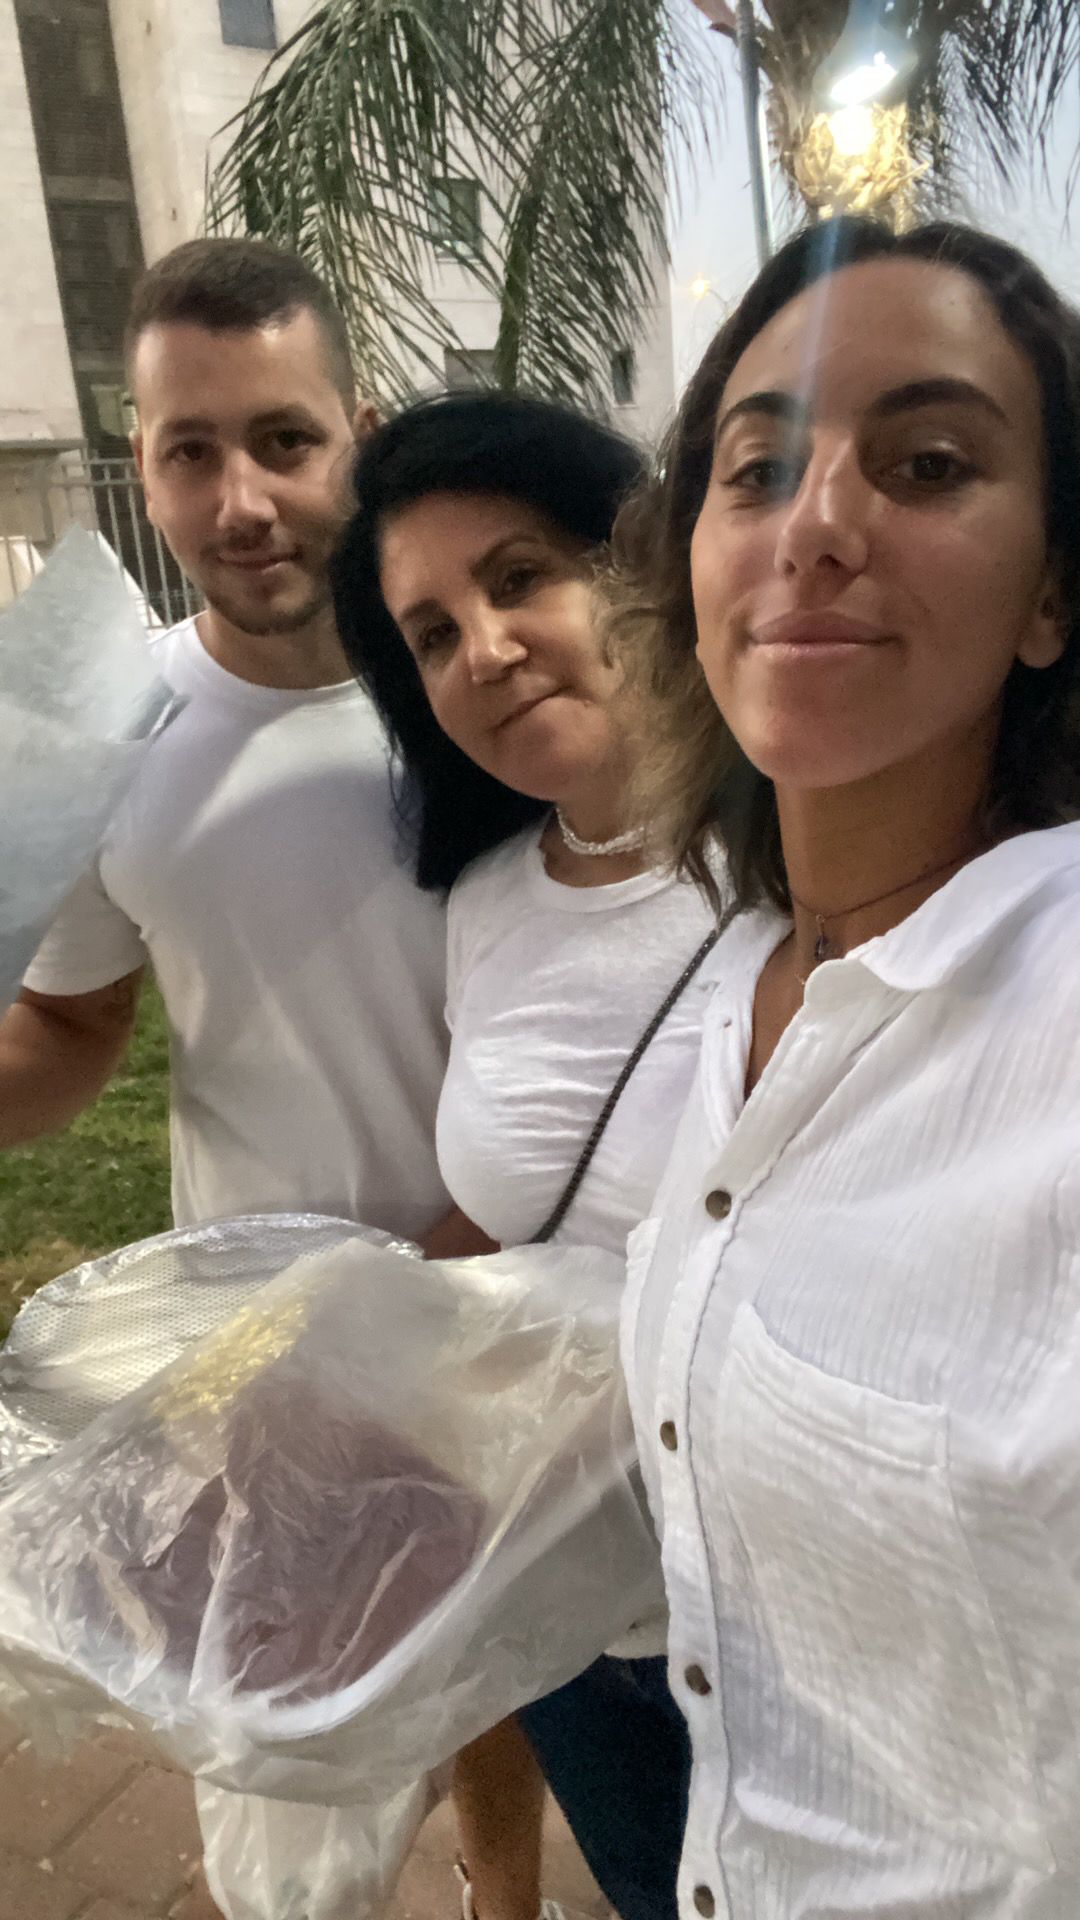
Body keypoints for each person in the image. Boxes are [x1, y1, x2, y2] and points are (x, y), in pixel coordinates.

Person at [610, 214, 1080, 1915]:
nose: (814, 524)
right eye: (755, 472)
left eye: (927, 463)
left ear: (1052, 594)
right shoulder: (747, 983)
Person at [331, 391, 724, 1920]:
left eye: (518, 578)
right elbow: (508, 1215)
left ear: (633, 566)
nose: (483, 650)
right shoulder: (488, 898)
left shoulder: (809, 863)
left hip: (776, 1622)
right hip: (563, 1615)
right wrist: (310, 1364)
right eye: (430, 633)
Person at [0, 237, 449, 1241]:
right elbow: (72, 1024)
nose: (241, 505)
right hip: (248, 1312)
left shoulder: (482, 694)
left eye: (285, 441)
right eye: (191, 453)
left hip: (507, 1295)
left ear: (363, 444)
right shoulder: (93, 724)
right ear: (143, 472)